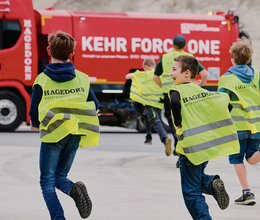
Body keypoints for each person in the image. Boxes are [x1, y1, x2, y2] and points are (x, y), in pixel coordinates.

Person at [30, 31, 100, 220]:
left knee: (46, 182)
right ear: (72, 54)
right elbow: (96, 105)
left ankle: (59, 217)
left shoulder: (42, 80)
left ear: (48, 50)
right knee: (60, 176)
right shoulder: (82, 78)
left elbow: (34, 111)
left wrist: (35, 124)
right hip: (74, 133)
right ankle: (73, 189)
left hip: (52, 135)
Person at [170, 55, 240, 219]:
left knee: (191, 192)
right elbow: (226, 104)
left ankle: (204, 216)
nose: (170, 73)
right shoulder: (203, 92)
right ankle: (210, 184)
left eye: (174, 70)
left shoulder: (177, 90)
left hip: (190, 150)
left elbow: (174, 102)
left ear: (186, 73)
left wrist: (179, 122)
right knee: (194, 180)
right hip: (205, 149)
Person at [153, 34, 208, 166]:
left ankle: (179, 146)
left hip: (170, 95)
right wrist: (199, 85)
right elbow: (204, 74)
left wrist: (163, 88)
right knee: (186, 121)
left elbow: (155, 77)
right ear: (185, 45)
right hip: (186, 93)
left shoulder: (165, 57)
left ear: (173, 45)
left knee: (174, 122)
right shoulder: (189, 57)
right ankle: (184, 152)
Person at [218, 39, 260, 205]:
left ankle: (247, 192)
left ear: (232, 58)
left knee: (237, 159)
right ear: (249, 58)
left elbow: (221, 103)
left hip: (237, 126)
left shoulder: (227, 79)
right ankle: (246, 192)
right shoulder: (256, 75)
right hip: (256, 125)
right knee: (250, 158)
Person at [126, 58, 172, 156]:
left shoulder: (143, 74)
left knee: (155, 122)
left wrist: (135, 75)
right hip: (159, 103)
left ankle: (165, 139)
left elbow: (127, 76)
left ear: (145, 66)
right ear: (154, 65)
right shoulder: (160, 75)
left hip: (149, 104)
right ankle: (148, 136)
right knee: (150, 118)